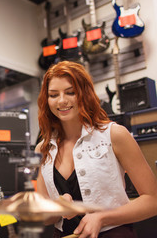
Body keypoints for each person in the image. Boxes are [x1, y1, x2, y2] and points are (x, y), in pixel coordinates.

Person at [35, 61, 157, 238]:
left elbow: (153, 200)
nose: (62, 100)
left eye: (70, 92)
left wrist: (102, 218)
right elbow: (44, 217)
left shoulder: (114, 135)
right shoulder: (43, 148)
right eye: (54, 95)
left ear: (84, 94)